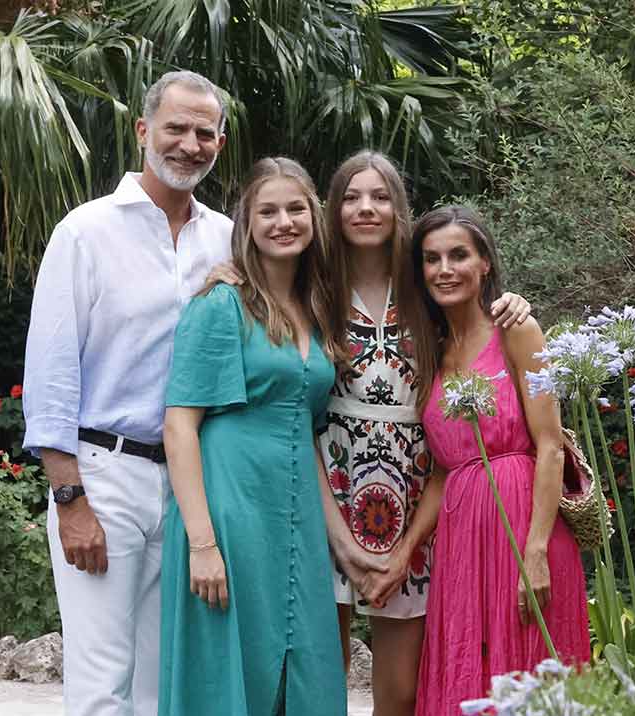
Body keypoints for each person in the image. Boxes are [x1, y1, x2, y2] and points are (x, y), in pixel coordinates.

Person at [208, 150, 530, 716]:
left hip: (409, 493)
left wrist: (513, 303)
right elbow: (290, 399)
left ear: (398, 207)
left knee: (400, 692)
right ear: (331, 210)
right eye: (352, 196)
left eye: (380, 196)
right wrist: (227, 272)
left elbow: (476, 319)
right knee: (314, 674)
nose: (366, 208)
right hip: (323, 487)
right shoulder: (312, 288)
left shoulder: (426, 290)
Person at [23, 71, 235, 716]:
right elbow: (51, 370)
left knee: (162, 680)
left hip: (189, 481)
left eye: (205, 133)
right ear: (144, 131)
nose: (189, 145)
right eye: (176, 128)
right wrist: (69, 498)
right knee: (101, 682)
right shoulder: (86, 232)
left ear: (219, 144)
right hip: (103, 473)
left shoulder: (227, 238)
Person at [160, 157, 372, 715]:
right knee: (229, 674)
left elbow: (303, 437)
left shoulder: (317, 310)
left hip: (296, 518)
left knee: (307, 670)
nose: (284, 222)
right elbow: (180, 426)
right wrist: (203, 545)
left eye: (296, 209)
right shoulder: (220, 304)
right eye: (268, 211)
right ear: (246, 224)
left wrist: (345, 546)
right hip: (229, 512)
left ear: (314, 219)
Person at [397, 205, 591, 715]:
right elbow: (446, 469)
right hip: (461, 544)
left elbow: (549, 445)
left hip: (524, 528)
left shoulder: (517, 331)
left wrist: (536, 550)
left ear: (484, 262)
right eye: (432, 258)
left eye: (459, 254)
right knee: (468, 677)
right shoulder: (431, 351)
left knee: (531, 674)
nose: (445, 269)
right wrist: (406, 551)